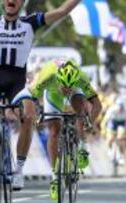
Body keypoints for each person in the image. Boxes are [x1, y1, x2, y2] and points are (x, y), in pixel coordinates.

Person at [0, 0, 81, 190]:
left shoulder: (31, 22)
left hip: (18, 83)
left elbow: (62, 10)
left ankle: (18, 170)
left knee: (29, 116)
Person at [27, 58, 102, 200]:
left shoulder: (81, 78)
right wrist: (37, 118)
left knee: (80, 112)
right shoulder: (47, 76)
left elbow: (98, 106)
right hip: (52, 92)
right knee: (54, 130)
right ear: (58, 79)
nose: (66, 90)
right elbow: (32, 100)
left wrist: (89, 124)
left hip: (77, 91)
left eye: (69, 87)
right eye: (64, 87)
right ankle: (55, 177)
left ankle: (82, 147)